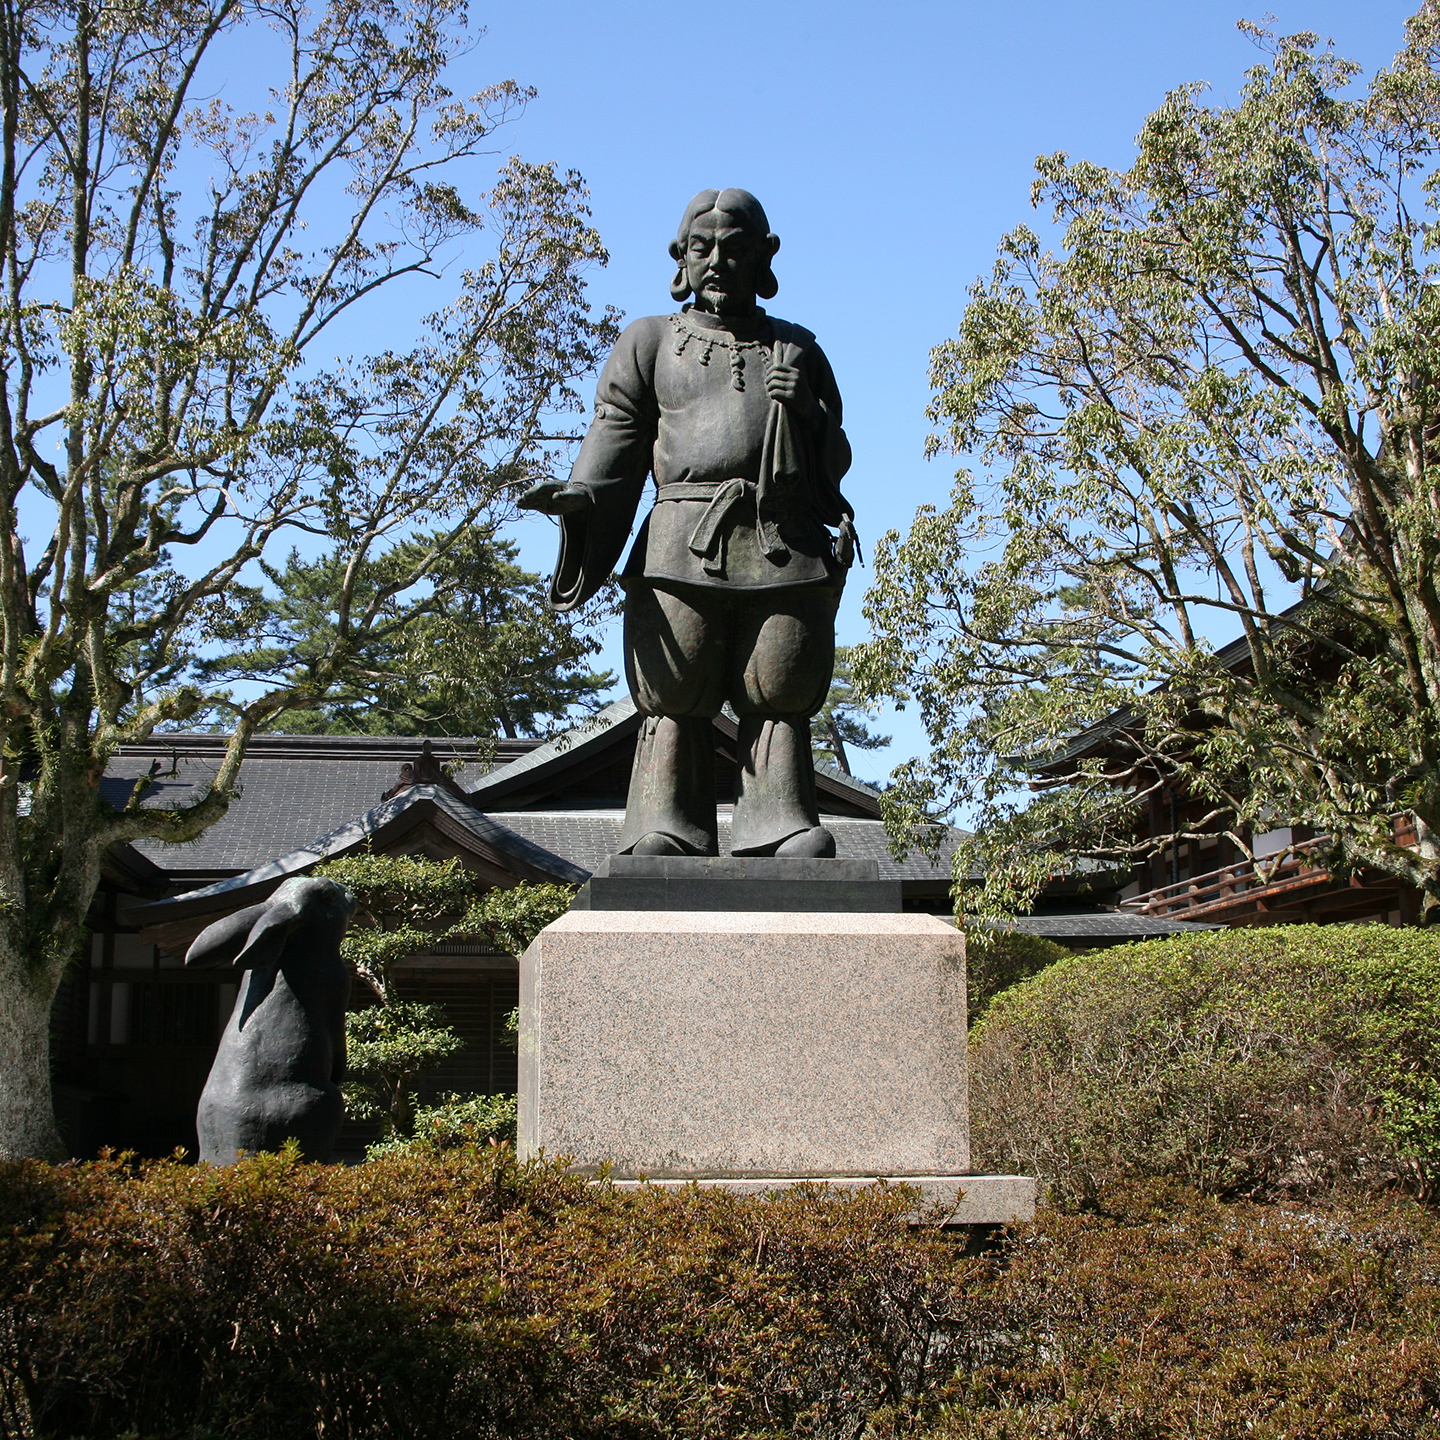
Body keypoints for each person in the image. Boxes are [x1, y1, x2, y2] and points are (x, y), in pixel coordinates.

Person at [520, 188, 855, 858]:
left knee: (780, 682)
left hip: (781, 537)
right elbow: (616, 433)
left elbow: (836, 461)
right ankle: (666, 821)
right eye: (703, 248)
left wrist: (810, 417)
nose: (719, 262)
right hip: (682, 535)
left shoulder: (797, 349)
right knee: (677, 685)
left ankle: (779, 820)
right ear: (681, 259)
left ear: (765, 257)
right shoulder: (651, 341)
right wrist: (583, 497)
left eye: (736, 248)